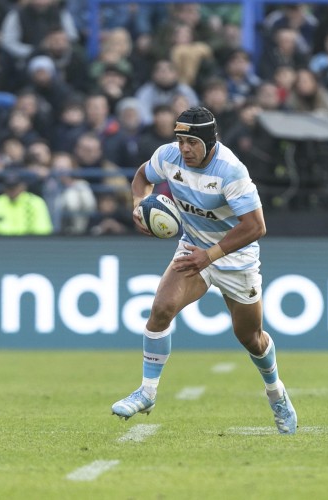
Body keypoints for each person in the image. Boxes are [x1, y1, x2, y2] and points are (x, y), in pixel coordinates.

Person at [110, 106, 297, 435]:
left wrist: (210, 256)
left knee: (250, 337)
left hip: (235, 256)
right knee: (161, 308)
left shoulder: (231, 171)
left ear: (209, 143)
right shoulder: (168, 156)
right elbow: (142, 177)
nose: (184, 149)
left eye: (192, 142)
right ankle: (147, 393)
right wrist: (139, 205)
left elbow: (256, 226)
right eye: (181, 140)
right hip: (193, 248)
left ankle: (277, 394)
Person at [0, 170, 53, 235]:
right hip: (1, 246)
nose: (12, 190)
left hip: (29, 246)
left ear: (23, 186)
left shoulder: (36, 203)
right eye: (9, 187)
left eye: (15, 187)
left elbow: (43, 231)